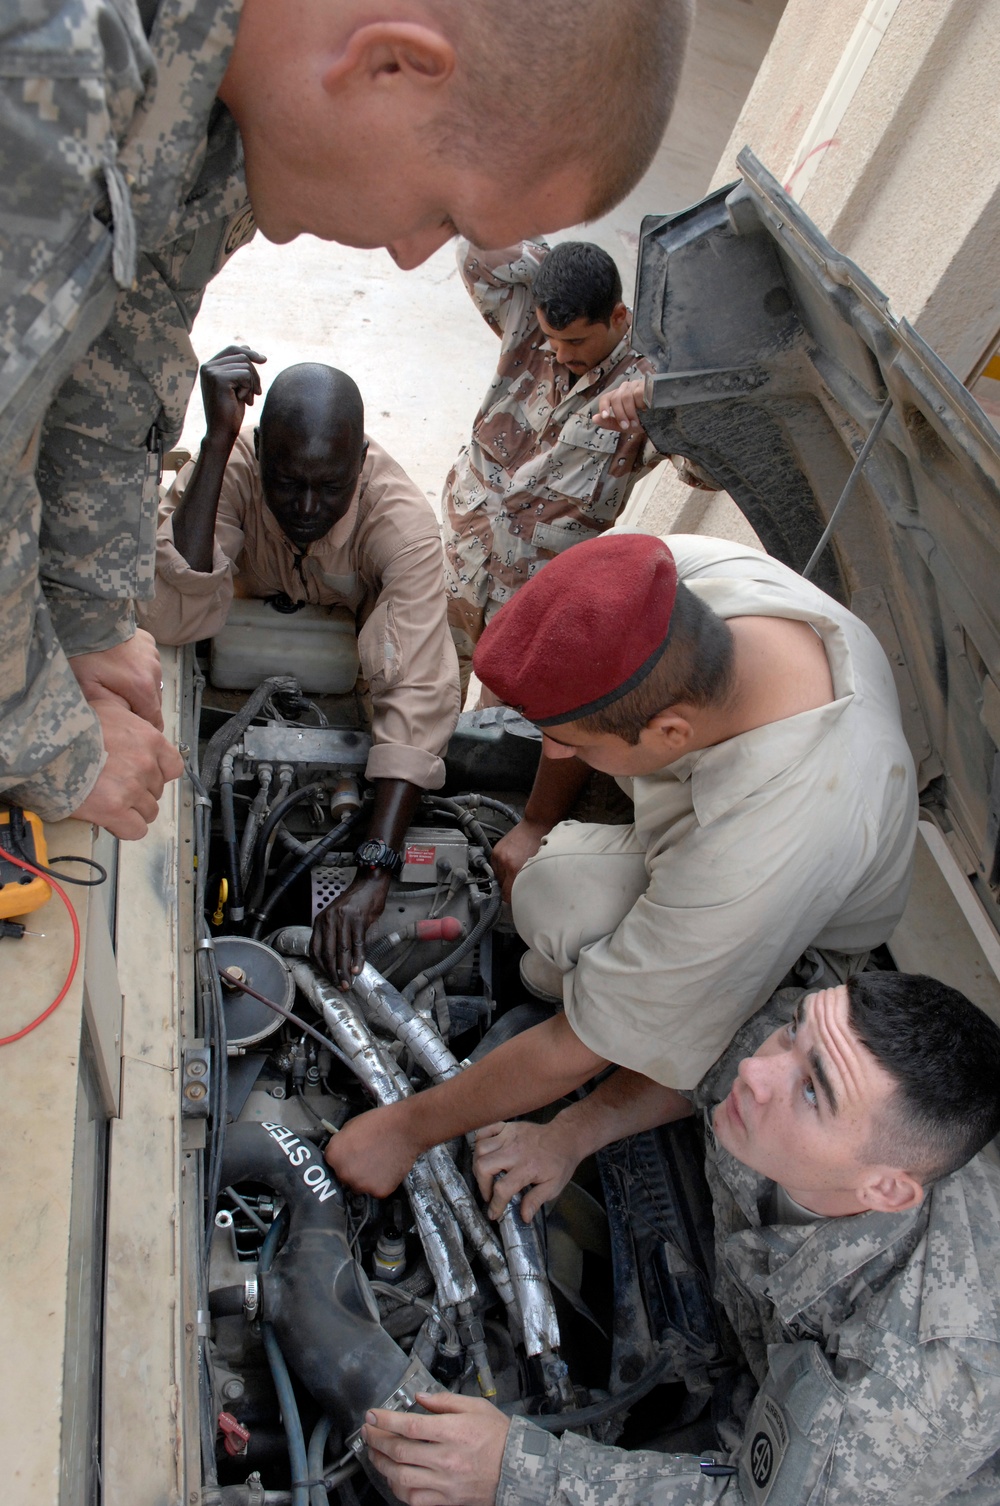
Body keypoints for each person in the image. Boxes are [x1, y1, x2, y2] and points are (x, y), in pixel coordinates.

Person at [0, 0, 694, 842]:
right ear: (390, 63)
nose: (408, 258)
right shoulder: (47, 73)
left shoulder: (209, 137)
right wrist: (56, 747)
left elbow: (107, 374)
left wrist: (85, 617)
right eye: (445, 213)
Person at [324, 530, 916, 1195]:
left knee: (558, 931)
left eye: (570, 741)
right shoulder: (671, 582)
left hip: (793, 935)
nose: (554, 748)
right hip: (705, 833)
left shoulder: (774, 841)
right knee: (550, 890)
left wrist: (405, 1130)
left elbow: (582, 1044)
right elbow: (568, 692)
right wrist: (535, 823)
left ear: (670, 733)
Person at [360, 972, 1000, 1506]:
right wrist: (571, 1133)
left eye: (812, 1090)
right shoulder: (802, 1054)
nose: (758, 1069)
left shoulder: (912, 1382)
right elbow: (701, 1062)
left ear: (886, 1191)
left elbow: (752, 1499)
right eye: (793, 1032)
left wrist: (516, 1471)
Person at [138, 347, 460, 981]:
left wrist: (375, 872)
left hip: (339, 689)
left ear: (360, 463)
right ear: (262, 458)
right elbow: (169, 616)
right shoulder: (230, 467)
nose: (308, 506)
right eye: (287, 483)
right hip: (223, 679)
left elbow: (418, 696)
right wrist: (217, 441)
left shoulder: (405, 528)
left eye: (330, 487)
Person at [444, 237, 667, 700]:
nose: (562, 354)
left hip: (531, 596)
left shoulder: (644, 385)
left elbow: (707, 469)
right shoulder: (526, 319)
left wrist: (660, 397)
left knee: (501, 730)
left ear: (619, 317)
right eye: (553, 339)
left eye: (577, 340)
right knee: (424, 688)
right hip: (462, 555)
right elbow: (477, 246)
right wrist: (549, 267)